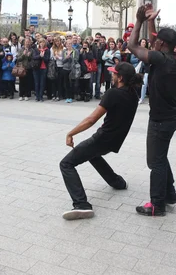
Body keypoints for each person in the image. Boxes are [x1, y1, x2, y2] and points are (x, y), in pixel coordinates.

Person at [60, 62, 141, 220]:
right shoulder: (133, 94)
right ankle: (118, 182)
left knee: (66, 164)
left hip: (102, 138)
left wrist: (71, 133)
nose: (112, 75)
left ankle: (82, 205)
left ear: (120, 78)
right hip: (115, 141)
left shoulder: (113, 94)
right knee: (93, 154)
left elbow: (91, 119)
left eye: (114, 73)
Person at [128, 4, 176, 217]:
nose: (153, 42)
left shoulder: (160, 58)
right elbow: (153, 44)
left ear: (161, 43)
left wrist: (139, 20)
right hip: (171, 117)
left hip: (161, 120)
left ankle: (157, 205)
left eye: (156, 40)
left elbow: (133, 46)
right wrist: (151, 21)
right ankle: (170, 194)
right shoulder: (175, 58)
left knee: (155, 161)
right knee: (160, 157)